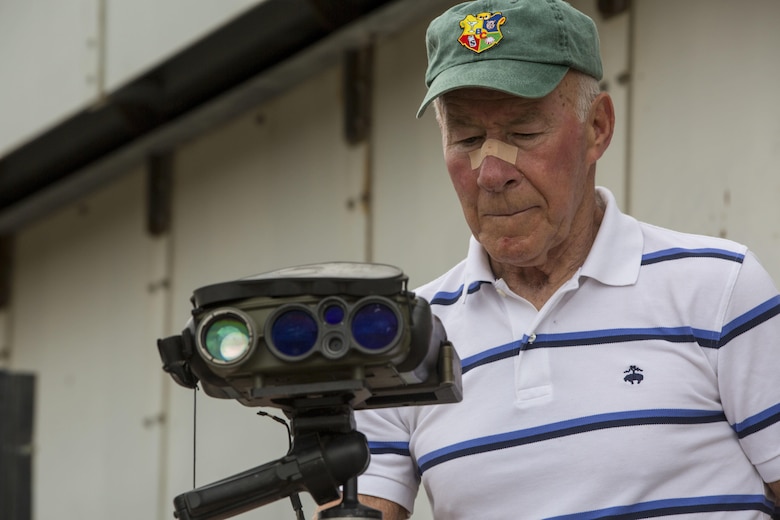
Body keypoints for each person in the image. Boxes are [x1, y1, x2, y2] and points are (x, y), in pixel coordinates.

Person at [338, 0, 780, 518]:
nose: (490, 172)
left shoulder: (719, 290)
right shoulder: (404, 337)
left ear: (598, 128)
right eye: (467, 137)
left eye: (524, 133)